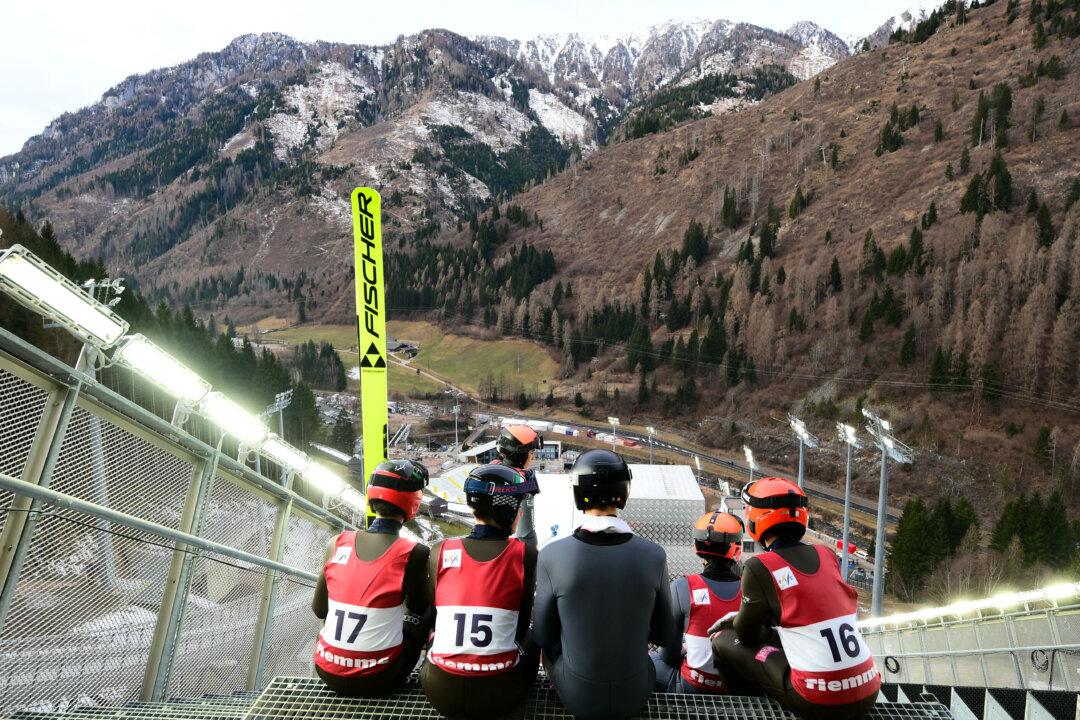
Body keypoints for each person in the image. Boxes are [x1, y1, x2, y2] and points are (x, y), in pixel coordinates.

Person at [710, 477, 880, 720]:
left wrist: (738, 620)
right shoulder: (826, 554)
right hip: (868, 690)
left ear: (754, 520)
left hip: (819, 700)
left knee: (721, 639)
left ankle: (745, 711)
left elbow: (746, 635)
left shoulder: (760, 566)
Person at [533, 449, 676, 720]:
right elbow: (665, 636)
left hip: (577, 697)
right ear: (624, 491)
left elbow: (543, 637)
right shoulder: (654, 555)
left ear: (577, 491)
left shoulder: (553, 555)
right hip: (635, 693)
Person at [420, 464, 540, 720]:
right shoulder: (524, 554)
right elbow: (520, 626)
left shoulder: (440, 550)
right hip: (499, 694)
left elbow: (434, 610)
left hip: (438, 690)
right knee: (532, 635)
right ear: (509, 509)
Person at [311, 459, 431, 696]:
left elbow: (319, 610)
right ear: (412, 501)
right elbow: (418, 607)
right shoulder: (414, 552)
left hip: (326, 670)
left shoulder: (337, 542)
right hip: (380, 677)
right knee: (432, 607)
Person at [652, 510, 744, 694]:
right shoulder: (751, 589)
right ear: (736, 550)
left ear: (696, 547)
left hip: (693, 686)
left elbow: (669, 656)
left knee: (652, 660)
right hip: (736, 688)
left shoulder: (683, 586)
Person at [494, 424, 544, 547]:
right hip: (508, 554)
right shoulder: (522, 483)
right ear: (520, 455)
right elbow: (526, 534)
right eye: (532, 452)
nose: (533, 456)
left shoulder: (491, 472)